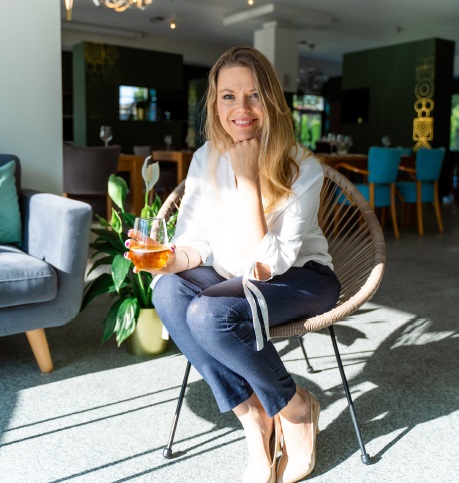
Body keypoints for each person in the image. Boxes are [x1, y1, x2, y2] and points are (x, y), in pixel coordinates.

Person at [126, 46, 341, 483]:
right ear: (215, 103)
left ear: (272, 101)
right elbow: (195, 242)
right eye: (228, 96)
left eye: (254, 95)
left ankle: (295, 408)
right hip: (233, 275)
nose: (241, 108)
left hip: (301, 278)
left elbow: (267, 263)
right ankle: (253, 416)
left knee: (211, 315)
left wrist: (247, 178)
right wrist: (167, 260)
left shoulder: (303, 167)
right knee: (168, 292)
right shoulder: (206, 158)